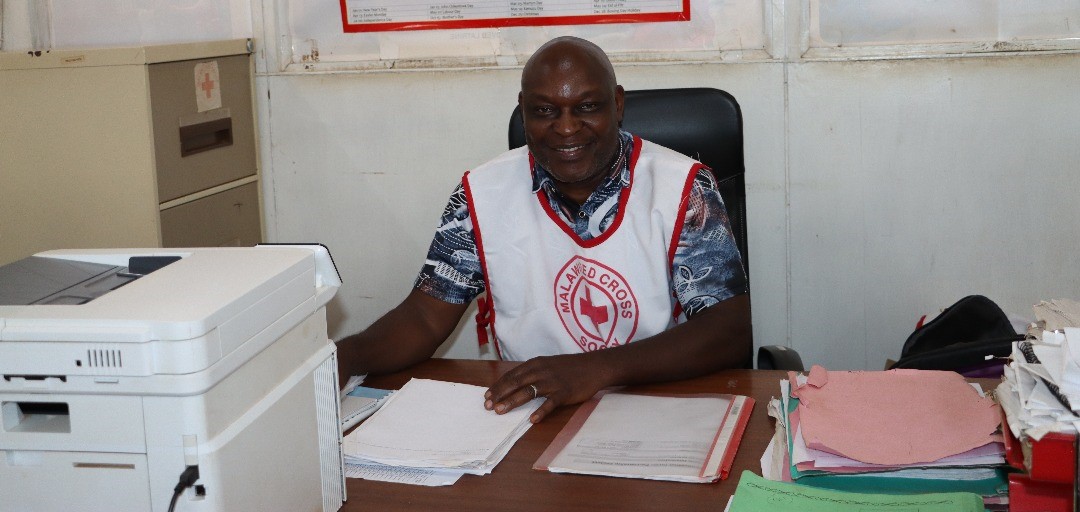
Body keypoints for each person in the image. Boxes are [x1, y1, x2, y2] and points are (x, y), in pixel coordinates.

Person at [337, 35, 750, 423]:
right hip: (526, 413)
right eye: (545, 110)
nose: (566, 128)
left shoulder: (682, 187)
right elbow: (426, 317)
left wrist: (595, 368)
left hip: (656, 404)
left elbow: (727, 331)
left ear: (617, 104)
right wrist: (344, 356)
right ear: (524, 110)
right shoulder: (480, 194)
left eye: (587, 107)